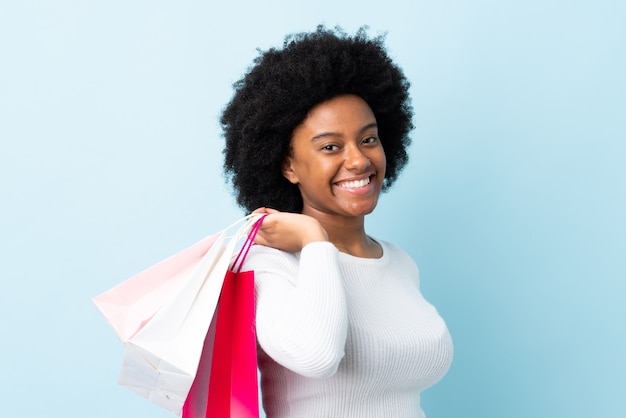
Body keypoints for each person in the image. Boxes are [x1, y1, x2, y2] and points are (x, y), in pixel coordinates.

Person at [221, 26, 453, 418]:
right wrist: (314, 242)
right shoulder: (268, 266)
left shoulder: (399, 263)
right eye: (331, 147)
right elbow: (316, 356)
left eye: (368, 139)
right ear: (288, 165)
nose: (359, 161)